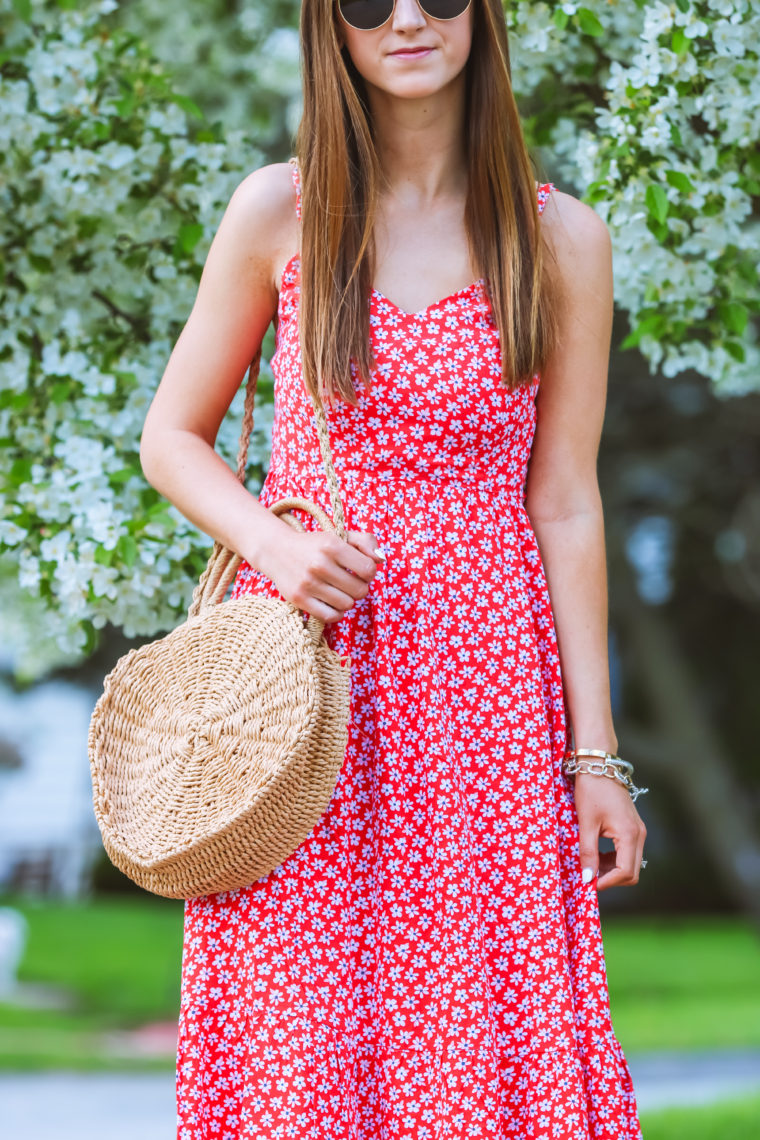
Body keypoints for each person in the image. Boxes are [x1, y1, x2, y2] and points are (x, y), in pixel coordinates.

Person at [140, 1, 647, 1136]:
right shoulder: (281, 210)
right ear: (332, 26)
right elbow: (171, 437)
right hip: (304, 698)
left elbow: (563, 501)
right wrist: (273, 540)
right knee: (298, 1026)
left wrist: (597, 755)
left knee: (484, 1025)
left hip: (487, 709)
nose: (407, 18)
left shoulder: (560, 237)